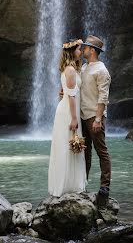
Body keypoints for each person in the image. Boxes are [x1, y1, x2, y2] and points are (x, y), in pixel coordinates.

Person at [48, 39, 86, 197]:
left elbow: (68, 91)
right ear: (72, 51)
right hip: (68, 113)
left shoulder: (71, 69)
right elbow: (71, 96)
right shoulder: (70, 70)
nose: (81, 52)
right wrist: (74, 118)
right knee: (67, 146)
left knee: (70, 146)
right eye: (78, 49)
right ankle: (66, 185)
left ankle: (70, 183)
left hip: (69, 110)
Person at [80, 35, 112, 209]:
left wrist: (98, 119)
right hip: (83, 115)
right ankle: (82, 183)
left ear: (92, 50)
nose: (83, 50)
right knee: (85, 152)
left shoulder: (101, 70)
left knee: (102, 151)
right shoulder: (85, 67)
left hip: (94, 115)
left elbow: (103, 97)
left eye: (85, 47)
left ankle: (104, 186)